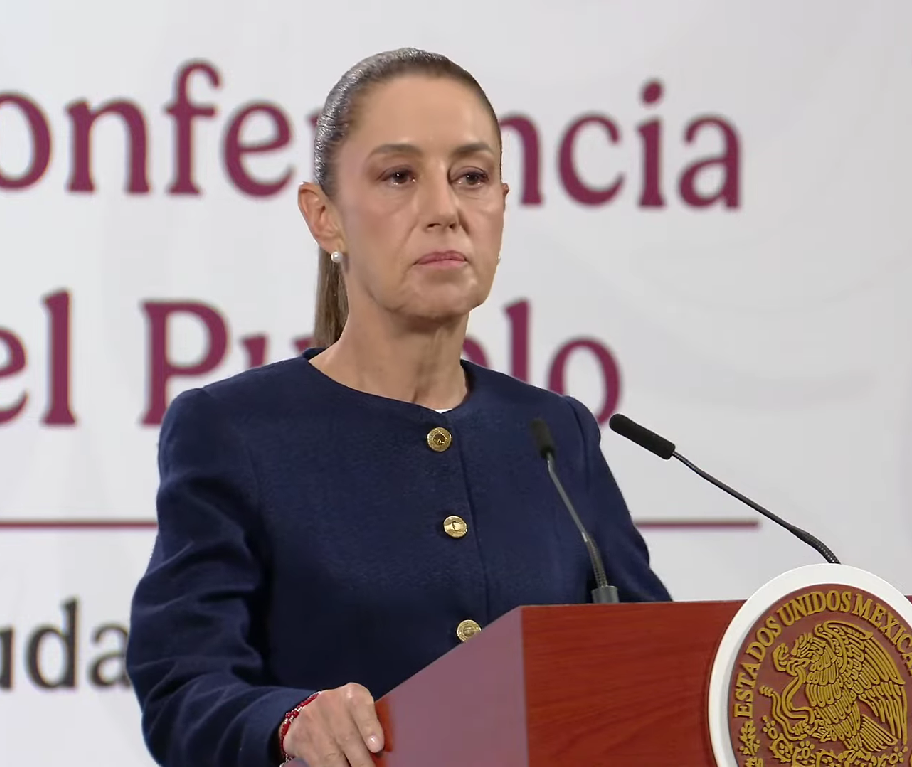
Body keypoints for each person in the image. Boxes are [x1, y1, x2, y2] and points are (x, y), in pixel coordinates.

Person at [124, 48, 672, 767]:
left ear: (501, 206)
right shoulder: (235, 431)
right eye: (398, 177)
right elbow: (183, 686)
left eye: (471, 177)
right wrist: (287, 721)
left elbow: (657, 670)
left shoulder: (553, 432)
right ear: (325, 218)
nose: (444, 210)